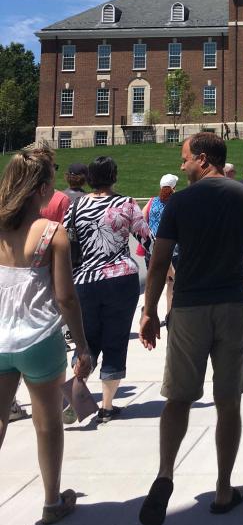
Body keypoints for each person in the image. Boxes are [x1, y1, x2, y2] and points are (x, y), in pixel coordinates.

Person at [138, 132, 243, 525]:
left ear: (202, 159)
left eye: (184, 159)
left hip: (188, 308)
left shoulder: (179, 202)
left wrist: (148, 310)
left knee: (178, 399)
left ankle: (165, 474)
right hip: (233, 305)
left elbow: (160, 260)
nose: (181, 167)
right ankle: (222, 488)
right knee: (228, 400)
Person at [0, 148, 93, 525]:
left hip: (0, 337)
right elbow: (66, 297)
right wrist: (83, 344)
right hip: (39, 339)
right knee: (48, 423)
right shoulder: (52, 234)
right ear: (40, 189)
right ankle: (52, 503)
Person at [64, 156, 151, 423]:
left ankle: (77, 387)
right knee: (115, 338)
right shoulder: (125, 204)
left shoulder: (76, 207)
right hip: (120, 279)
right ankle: (107, 406)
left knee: (87, 339)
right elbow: (147, 239)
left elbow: (65, 242)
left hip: (84, 281)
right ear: (114, 176)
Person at [139, 175, 180, 318]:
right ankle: (170, 314)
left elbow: (142, 220)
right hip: (173, 249)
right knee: (173, 282)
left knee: (153, 283)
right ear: (174, 187)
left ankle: (149, 313)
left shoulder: (152, 201)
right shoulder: (177, 202)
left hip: (152, 249)